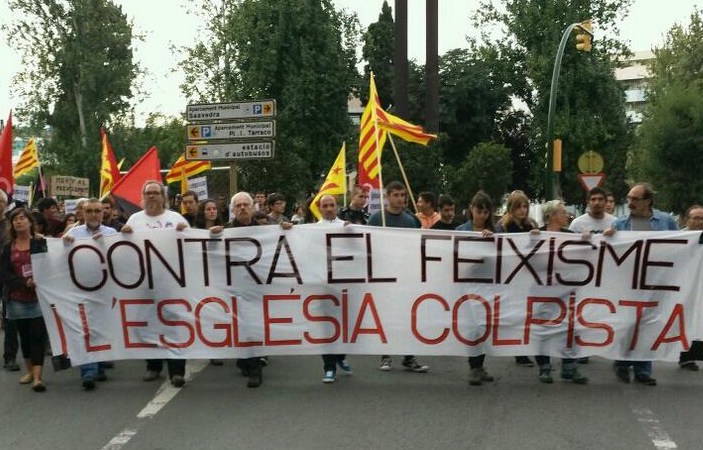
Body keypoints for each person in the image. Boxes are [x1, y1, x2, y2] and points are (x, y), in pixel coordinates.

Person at [604, 183, 678, 386]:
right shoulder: (621, 224)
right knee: (627, 324)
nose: (630, 203)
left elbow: (680, 244)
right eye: (629, 198)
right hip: (628, 284)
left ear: (648, 201)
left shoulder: (665, 221)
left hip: (654, 283)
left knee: (648, 325)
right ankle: (622, 363)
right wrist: (607, 238)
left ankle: (643, 370)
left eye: (635, 199)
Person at [121, 181, 189, 388]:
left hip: (171, 283)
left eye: (155, 193)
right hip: (144, 283)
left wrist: (184, 232)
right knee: (147, 322)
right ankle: (153, 366)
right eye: (148, 193)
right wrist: (123, 234)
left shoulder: (175, 218)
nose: (151, 197)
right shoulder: (134, 220)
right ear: (143, 197)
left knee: (174, 325)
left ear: (163, 197)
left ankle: (177, 371)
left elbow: (191, 246)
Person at [225, 192, 293, 388]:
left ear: (253, 207)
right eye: (238, 205)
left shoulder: (265, 227)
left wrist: (287, 229)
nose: (242, 208)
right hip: (236, 286)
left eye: (246, 204)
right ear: (233, 209)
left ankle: (256, 369)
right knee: (240, 326)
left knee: (254, 325)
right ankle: (245, 360)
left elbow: (282, 241)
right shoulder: (227, 230)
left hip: (259, 286)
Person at [368, 181, 430, 373]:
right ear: (387, 197)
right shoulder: (377, 219)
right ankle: (385, 355)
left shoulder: (411, 221)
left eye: (403, 195)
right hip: (384, 275)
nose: (401, 199)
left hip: (405, 275)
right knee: (386, 316)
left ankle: (409, 356)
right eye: (396, 195)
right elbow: (368, 246)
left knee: (408, 316)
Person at [530, 200, 588, 384]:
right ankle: (544, 367)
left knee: (570, 329)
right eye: (563, 212)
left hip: (566, 291)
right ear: (552, 216)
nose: (567, 216)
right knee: (544, 330)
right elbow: (526, 261)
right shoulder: (537, 234)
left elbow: (584, 255)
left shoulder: (570, 236)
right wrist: (532, 242)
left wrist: (588, 240)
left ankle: (569, 367)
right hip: (543, 291)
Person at [62, 199, 117, 390]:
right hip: (81, 289)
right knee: (84, 329)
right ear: (83, 214)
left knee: (101, 328)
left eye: (97, 211)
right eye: (89, 211)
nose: (94, 214)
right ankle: (88, 371)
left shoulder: (112, 234)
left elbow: (122, 259)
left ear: (104, 214)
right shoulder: (72, 234)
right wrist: (64, 244)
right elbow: (61, 259)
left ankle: (100, 364)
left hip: (105, 289)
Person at [0, 208, 48, 392]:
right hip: (17, 299)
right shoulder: (8, 247)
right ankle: (30, 371)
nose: (19, 222)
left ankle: (37, 377)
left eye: (22, 218)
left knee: (38, 337)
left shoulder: (39, 242)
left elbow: (51, 264)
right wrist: (24, 282)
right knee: (25, 338)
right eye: (15, 220)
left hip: (39, 298)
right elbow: (4, 273)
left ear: (30, 222)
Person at [455, 191, 495, 386]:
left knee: (484, 327)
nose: (482, 216)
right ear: (471, 209)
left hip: (486, 286)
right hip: (466, 286)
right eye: (479, 211)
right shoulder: (460, 230)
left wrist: (492, 240)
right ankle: (474, 367)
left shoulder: (495, 232)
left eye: (486, 212)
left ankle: (480, 365)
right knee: (472, 328)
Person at [495, 190, 536, 368]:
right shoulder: (502, 227)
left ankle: (521, 352)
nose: (522, 210)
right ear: (511, 208)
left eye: (525, 206)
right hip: (509, 277)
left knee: (524, 315)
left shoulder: (531, 226)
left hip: (525, 277)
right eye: (519, 206)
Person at [316, 195, 353, 383]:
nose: (329, 208)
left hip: (345, 284)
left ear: (337, 207)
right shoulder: (312, 230)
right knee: (326, 327)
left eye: (332, 205)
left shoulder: (346, 226)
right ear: (319, 208)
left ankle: (340, 356)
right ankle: (329, 367)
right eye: (325, 206)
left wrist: (353, 233)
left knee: (345, 324)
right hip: (323, 286)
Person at [193, 198, 225, 367]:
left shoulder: (225, 230)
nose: (212, 211)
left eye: (214, 209)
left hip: (219, 276)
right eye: (208, 209)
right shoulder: (194, 232)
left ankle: (216, 349)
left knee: (216, 312)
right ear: (202, 212)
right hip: (200, 276)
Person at [677, 204, 703, 371]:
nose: (700, 222)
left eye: (702, 218)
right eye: (696, 218)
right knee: (685, 320)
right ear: (687, 220)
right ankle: (685, 356)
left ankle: (693, 355)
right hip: (684, 286)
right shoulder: (678, 238)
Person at [0, 190, 20, 372]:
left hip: (7, 278)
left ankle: (10, 357)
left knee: (10, 319)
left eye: (0, 201)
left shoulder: (11, 226)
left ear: (5, 204)